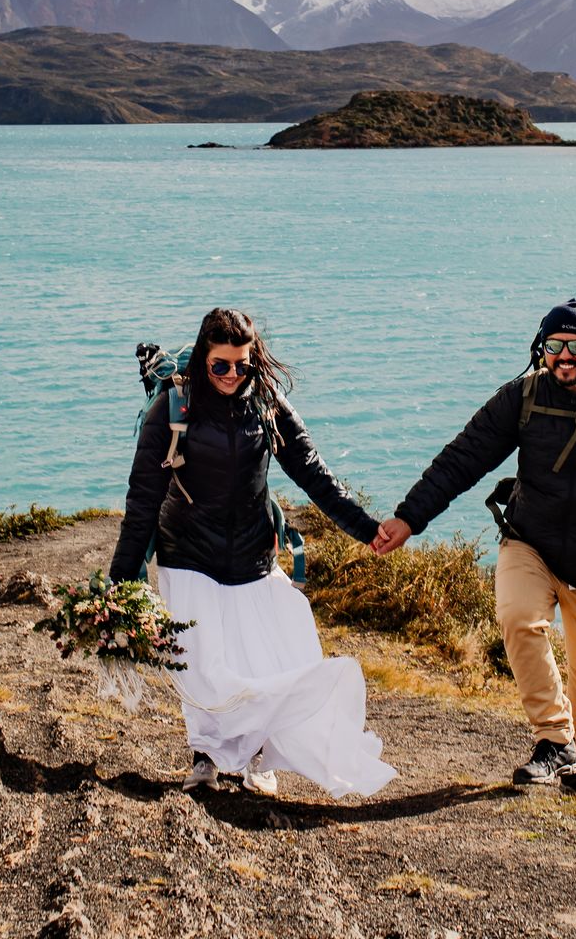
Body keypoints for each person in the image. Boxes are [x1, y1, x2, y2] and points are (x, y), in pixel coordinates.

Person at [372, 299, 576, 797]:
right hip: (529, 541)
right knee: (518, 619)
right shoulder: (522, 398)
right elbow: (463, 459)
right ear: (541, 350)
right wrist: (409, 517)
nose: (564, 356)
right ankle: (552, 740)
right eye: (554, 346)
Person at [110, 307, 397, 799]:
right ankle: (205, 755)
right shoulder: (172, 410)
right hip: (187, 553)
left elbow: (314, 475)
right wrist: (121, 585)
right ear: (203, 359)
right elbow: (142, 503)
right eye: (221, 365)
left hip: (252, 555)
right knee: (201, 661)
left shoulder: (266, 403)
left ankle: (257, 756)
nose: (232, 375)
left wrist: (368, 529)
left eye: (242, 364)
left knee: (270, 659)